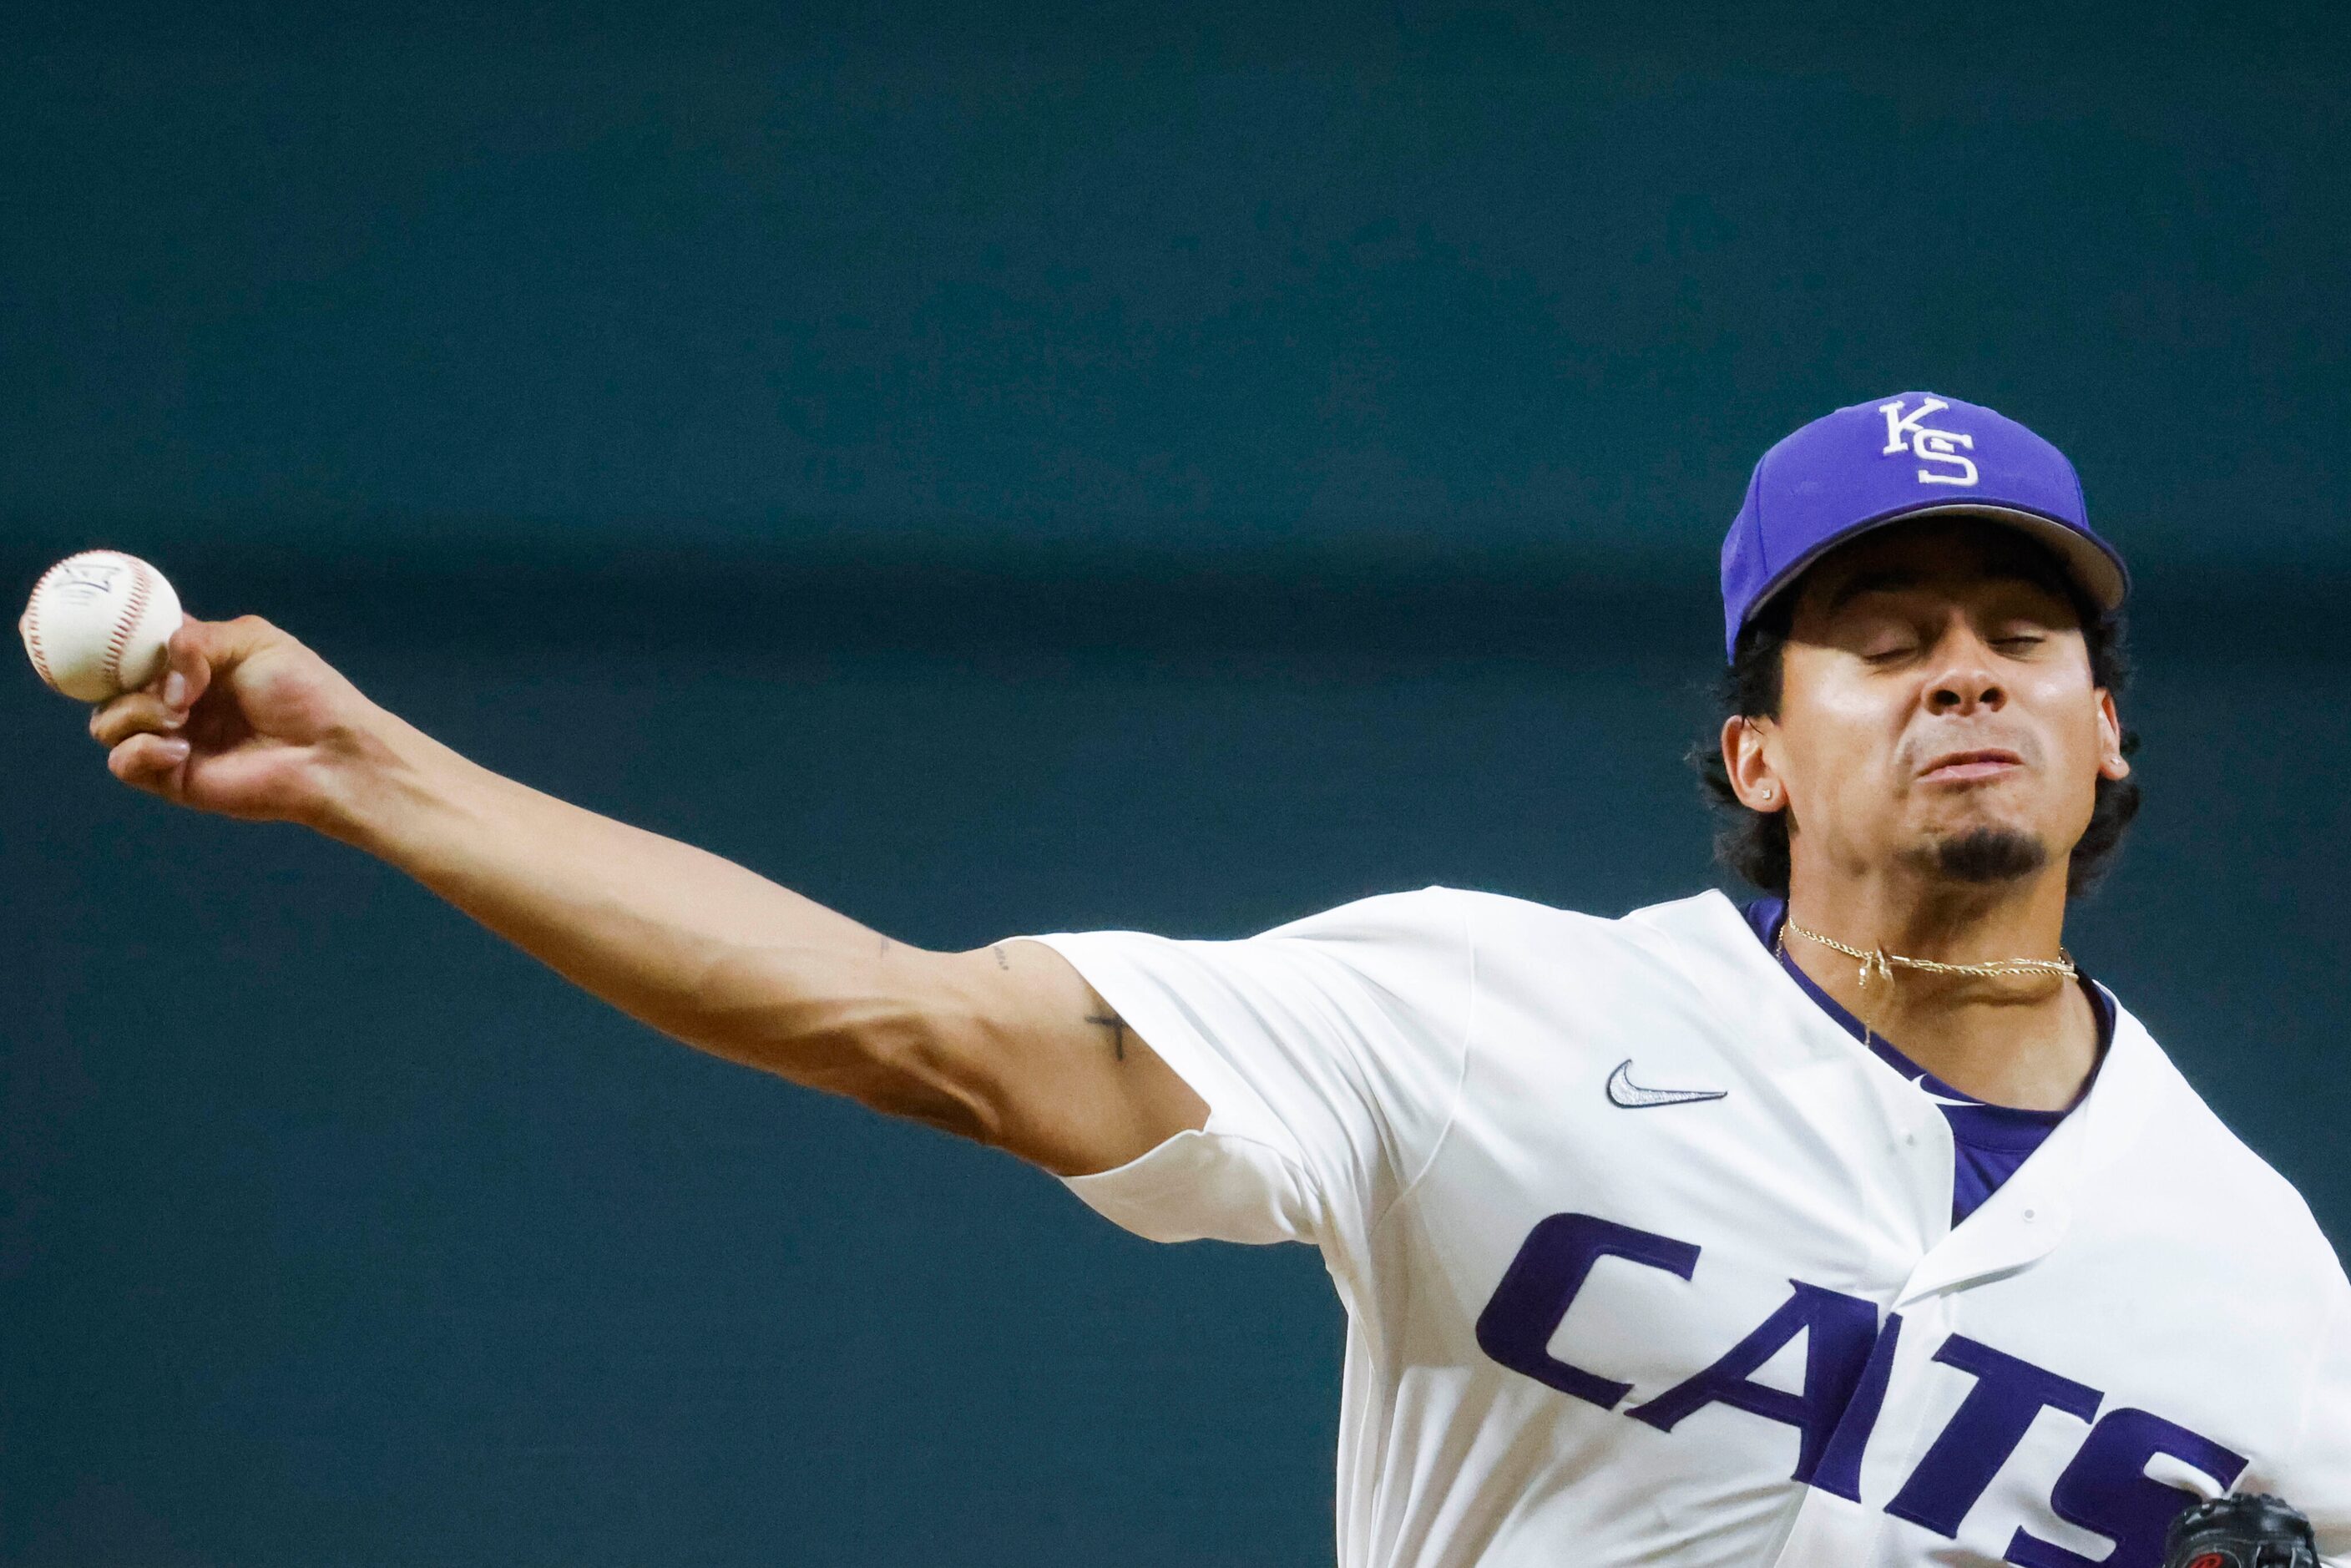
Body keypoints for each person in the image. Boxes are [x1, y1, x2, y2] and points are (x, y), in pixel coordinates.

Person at [87, 392, 2351, 1567]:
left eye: (2020, 635)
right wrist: (385, 774)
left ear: (2108, 726)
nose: (1964, 673)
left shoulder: (2261, 1292)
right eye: (1885, 637)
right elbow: (916, 1023)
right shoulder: (1497, 1023)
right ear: (1759, 751)